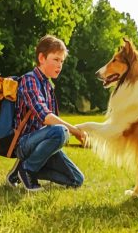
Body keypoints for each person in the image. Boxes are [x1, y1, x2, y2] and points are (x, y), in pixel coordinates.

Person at [6, 34, 85, 191]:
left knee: (77, 179)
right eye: (56, 59)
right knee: (61, 132)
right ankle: (27, 170)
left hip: (42, 144)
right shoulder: (30, 80)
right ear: (42, 58)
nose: (60, 65)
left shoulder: (48, 86)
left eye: (62, 61)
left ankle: (21, 170)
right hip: (25, 143)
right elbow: (46, 117)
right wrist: (75, 131)